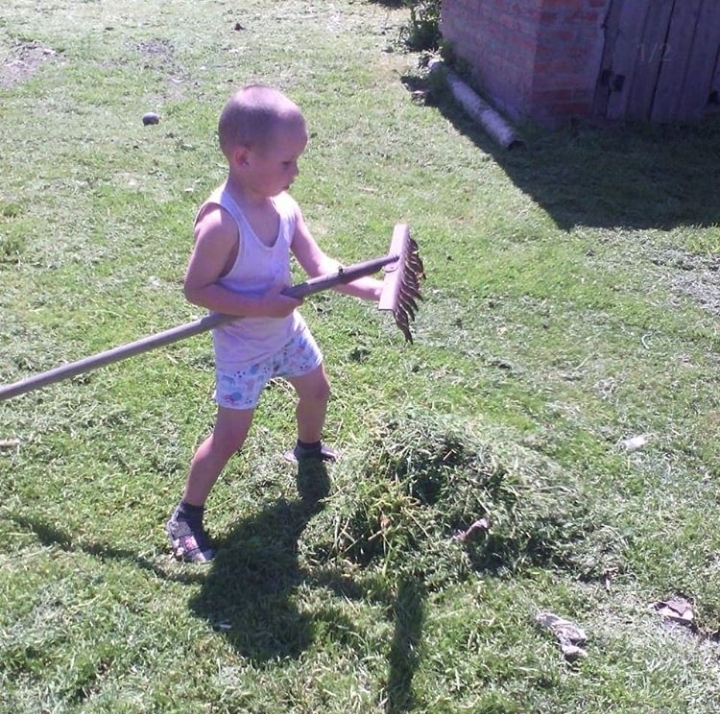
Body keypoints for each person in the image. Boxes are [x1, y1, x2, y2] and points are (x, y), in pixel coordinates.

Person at [166, 84, 383, 563]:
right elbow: (196, 290)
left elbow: (319, 266)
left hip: (286, 335)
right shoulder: (221, 223)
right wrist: (261, 306)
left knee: (317, 390)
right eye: (287, 163)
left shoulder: (285, 207)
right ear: (243, 158)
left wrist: (372, 290)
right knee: (230, 438)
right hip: (243, 350)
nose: (296, 172)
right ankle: (187, 514)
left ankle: (308, 449)